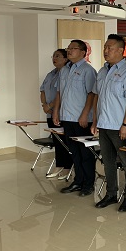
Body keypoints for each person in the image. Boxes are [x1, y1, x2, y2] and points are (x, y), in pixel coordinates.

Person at [92, 34, 126, 212]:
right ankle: (111, 194)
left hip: (120, 127)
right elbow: (98, 98)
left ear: (120, 50)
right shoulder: (102, 71)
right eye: (105, 47)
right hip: (104, 125)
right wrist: (95, 121)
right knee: (108, 162)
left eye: (110, 48)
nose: (106, 51)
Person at [52, 40, 97, 197]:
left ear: (83, 53)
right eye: (68, 48)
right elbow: (59, 93)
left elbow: (92, 94)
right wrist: (56, 111)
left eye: (73, 48)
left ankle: (88, 184)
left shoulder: (88, 70)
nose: (69, 51)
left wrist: (85, 114)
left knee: (86, 153)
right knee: (74, 152)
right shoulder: (64, 70)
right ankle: (78, 181)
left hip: (82, 119)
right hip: (67, 117)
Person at [40, 49, 73, 179]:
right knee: (57, 141)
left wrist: (51, 106)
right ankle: (59, 165)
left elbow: (62, 94)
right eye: (53, 56)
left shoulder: (67, 73)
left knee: (65, 142)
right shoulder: (50, 74)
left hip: (61, 113)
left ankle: (67, 167)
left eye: (58, 56)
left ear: (65, 59)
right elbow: (42, 90)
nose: (54, 58)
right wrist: (45, 105)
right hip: (50, 113)